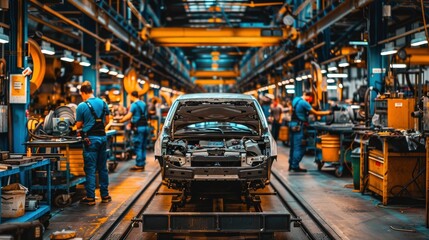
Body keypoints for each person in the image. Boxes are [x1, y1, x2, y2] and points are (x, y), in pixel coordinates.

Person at [75, 81, 111, 205]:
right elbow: (106, 121)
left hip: (90, 140)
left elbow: (78, 125)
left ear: (83, 92)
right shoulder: (103, 102)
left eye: (81, 94)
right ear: (92, 91)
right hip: (102, 138)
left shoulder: (81, 106)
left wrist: (74, 128)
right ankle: (105, 196)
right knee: (102, 168)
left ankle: (90, 197)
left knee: (90, 169)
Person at [289, 91, 331, 172]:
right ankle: (295, 166)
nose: (310, 102)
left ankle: (291, 164)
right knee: (300, 147)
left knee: (293, 146)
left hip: (293, 125)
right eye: (310, 100)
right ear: (308, 96)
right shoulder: (304, 103)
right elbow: (316, 113)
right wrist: (328, 112)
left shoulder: (295, 99)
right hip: (299, 126)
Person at [118, 91, 149, 171]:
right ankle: (142, 164)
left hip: (138, 128)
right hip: (145, 127)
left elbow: (129, 116)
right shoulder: (143, 103)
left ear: (132, 96)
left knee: (138, 146)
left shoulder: (134, 105)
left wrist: (121, 120)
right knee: (143, 146)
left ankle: (139, 165)